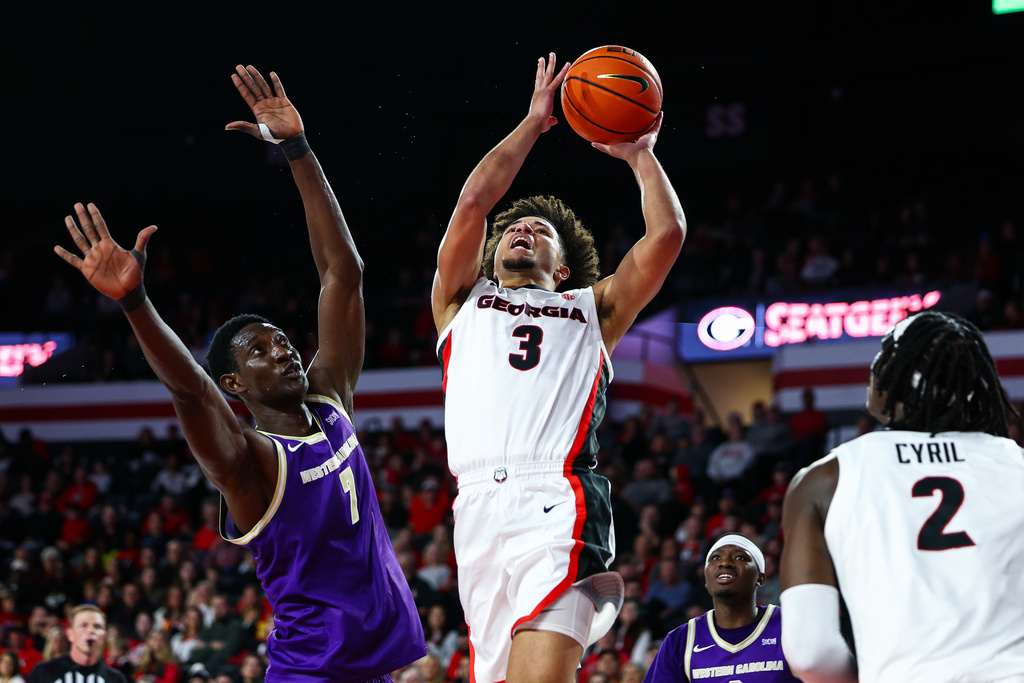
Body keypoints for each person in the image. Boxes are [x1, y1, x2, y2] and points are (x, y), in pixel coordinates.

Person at [54, 64, 425, 682]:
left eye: (281, 341)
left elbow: (343, 274)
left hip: (372, 669)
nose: (281, 350)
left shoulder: (331, 401)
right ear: (235, 385)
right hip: (311, 672)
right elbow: (189, 389)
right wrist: (135, 303)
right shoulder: (250, 464)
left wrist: (299, 151)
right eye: (258, 352)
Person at [431, 53, 686, 683]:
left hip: (557, 499)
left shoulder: (593, 308)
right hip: (475, 510)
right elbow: (472, 204)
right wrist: (533, 123)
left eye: (539, 230)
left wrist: (638, 154)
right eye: (515, 226)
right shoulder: (460, 302)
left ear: (562, 266)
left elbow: (668, 234)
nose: (522, 229)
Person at [780, 311, 1024, 682]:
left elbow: (810, 653)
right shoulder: (1015, 463)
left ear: (896, 375)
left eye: (884, 353)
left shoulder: (825, 478)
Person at [643, 534, 799, 682]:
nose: (724, 563)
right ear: (706, 578)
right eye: (716, 558)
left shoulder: (790, 625)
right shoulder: (680, 640)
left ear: (760, 577)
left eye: (740, 557)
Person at [26, 605, 127, 683]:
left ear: (104, 637)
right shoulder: (43, 672)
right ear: (70, 634)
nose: (91, 631)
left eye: (97, 627)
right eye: (83, 625)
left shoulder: (115, 679)